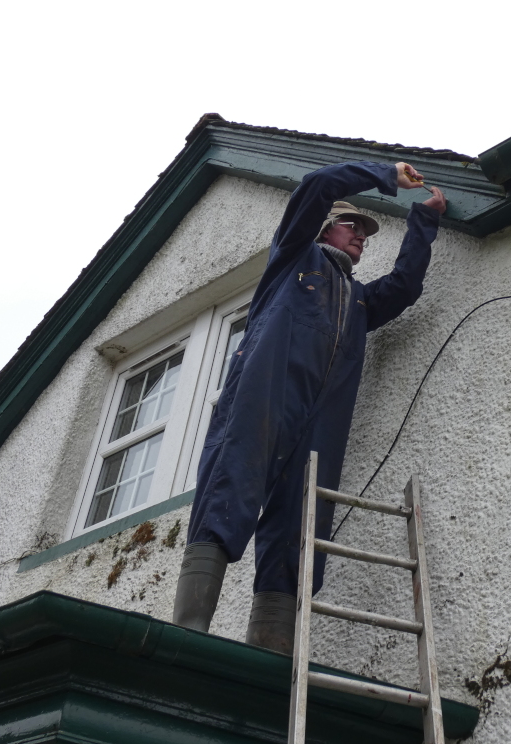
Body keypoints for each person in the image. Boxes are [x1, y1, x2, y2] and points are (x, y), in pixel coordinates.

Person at [172, 159, 447, 652]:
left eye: (366, 231)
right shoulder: (293, 259)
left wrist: (425, 220)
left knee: (301, 526)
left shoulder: (359, 302)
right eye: (352, 226)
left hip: (321, 423)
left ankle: (270, 650)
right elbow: (318, 186)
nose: (362, 236)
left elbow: (404, 287)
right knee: (231, 487)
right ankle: (190, 631)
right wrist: (386, 176)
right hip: (266, 395)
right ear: (324, 228)